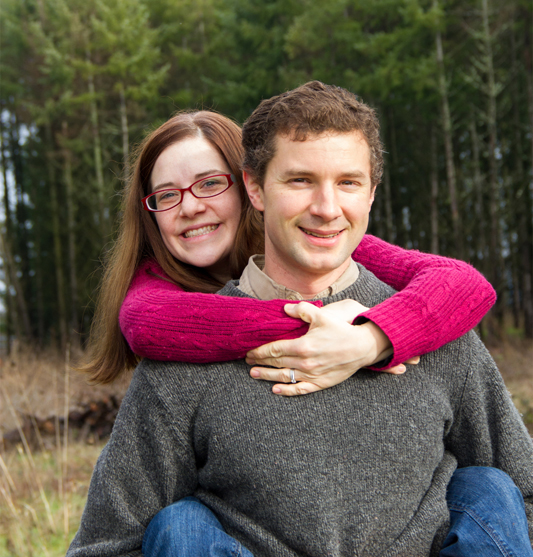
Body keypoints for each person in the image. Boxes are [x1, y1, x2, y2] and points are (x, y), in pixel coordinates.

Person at [66, 82, 533, 557]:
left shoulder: (434, 330)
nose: (327, 207)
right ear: (256, 190)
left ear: (372, 193)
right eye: (301, 181)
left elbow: (523, 499)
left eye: (348, 183)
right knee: (180, 527)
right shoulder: (182, 361)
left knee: (488, 488)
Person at [85, 109, 495, 393]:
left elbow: (464, 283)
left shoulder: (312, 239)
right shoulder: (152, 287)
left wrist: (372, 337)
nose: (190, 206)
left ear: (252, 188)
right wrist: (323, 327)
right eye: (167, 195)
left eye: (210, 184)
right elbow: (147, 322)